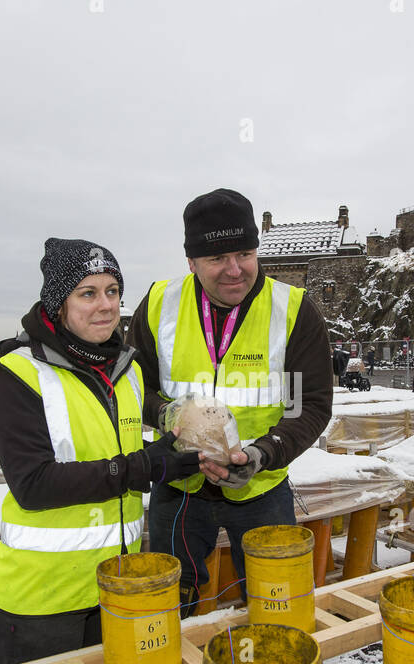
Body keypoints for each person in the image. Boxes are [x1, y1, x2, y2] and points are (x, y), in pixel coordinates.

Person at [0, 238, 200, 664]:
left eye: (114, 292)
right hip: (42, 606)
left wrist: (180, 451)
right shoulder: (15, 376)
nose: (105, 306)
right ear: (57, 302)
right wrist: (142, 468)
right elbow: (35, 483)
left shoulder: (121, 370)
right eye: (87, 293)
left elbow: (118, 453)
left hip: (117, 593)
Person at [127, 188, 334, 614]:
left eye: (244, 252)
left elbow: (306, 405)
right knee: (167, 604)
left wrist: (263, 453)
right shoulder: (160, 305)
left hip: (261, 486)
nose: (234, 270)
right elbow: (131, 389)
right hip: (180, 484)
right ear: (191, 262)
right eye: (217, 258)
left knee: (275, 602)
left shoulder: (291, 310)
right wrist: (166, 414)